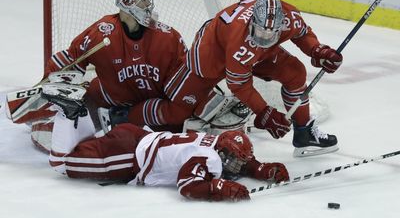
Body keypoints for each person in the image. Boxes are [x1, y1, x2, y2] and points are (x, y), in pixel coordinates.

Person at [125, 0, 343, 157]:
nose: (264, 38)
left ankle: (305, 132)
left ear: (280, 26)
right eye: (260, 33)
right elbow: (239, 84)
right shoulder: (240, 38)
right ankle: (126, 116)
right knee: (177, 111)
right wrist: (264, 113)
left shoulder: (287, 19)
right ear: (251, 24)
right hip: (211, 55)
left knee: (295, 73)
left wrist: (318, 51)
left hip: (256, 54)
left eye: (270, 34)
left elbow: (303, 34)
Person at [43, 86, 289, 202]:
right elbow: (187, 186)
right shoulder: (209, 158)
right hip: (128, 157)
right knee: (63, 164)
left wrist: (260, 169)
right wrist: (219, 188)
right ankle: (69, 113)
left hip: (135, 137)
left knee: (85, 148)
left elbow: (236, 157)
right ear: (223, 155)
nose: (238, 165)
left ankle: (80, 112)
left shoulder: (216, 143)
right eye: (236, 160)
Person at [24, 0, 188, 140]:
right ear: (128, 1)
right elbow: (68, 61)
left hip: (156, 111)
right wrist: (46, 92)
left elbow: (184, 93)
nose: (148, 4)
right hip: (112, 100)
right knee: (53, 133)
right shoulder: (102, 32)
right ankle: (45, 114)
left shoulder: (169, 39)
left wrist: (131, 115)